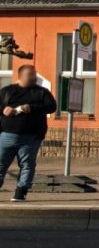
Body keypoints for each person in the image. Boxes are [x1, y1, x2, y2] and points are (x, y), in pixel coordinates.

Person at [0, 64, 57, 202]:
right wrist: (4, 109)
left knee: (27, 164)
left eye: (34, 74)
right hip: (7, 134)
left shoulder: (41, 92)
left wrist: (31, 107)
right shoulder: (8, 91)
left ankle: (20, 192)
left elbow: (51, 107)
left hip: (31, 136)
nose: (33, 77)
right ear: (20, 76)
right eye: (30, 75)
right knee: (1, 164)